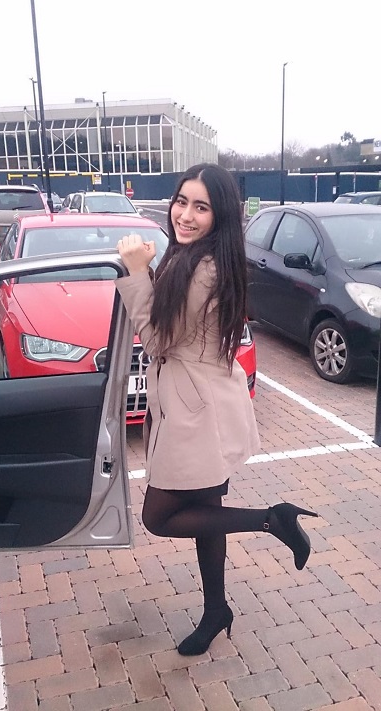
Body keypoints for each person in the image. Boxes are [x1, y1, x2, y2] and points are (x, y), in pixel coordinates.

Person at [116, 163, 317, 656]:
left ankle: (272, 520)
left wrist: (136, 273)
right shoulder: (198, 256)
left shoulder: (204, 269)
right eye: (181, 201)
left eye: (200, 207)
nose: (185, 214)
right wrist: (151, 270)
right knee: (207, 513)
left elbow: (158, 340)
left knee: (160, 517)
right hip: (203, 401)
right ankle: (216, 610)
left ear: (220, 214)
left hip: (195, 413)